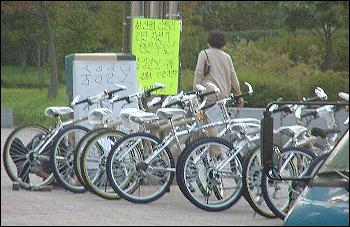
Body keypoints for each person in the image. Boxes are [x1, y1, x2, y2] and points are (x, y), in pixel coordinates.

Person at [193, 29, 244, 158]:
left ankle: (216, 153)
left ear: (208, 42)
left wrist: (196, 90)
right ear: (224, 44)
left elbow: (199, 73)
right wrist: (239, 96)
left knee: (206, 123)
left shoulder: (204, 54)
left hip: (207, 95)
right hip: (222, 96)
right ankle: (207, 151)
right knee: (210, 123)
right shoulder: (227, 57)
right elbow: (234, 78)